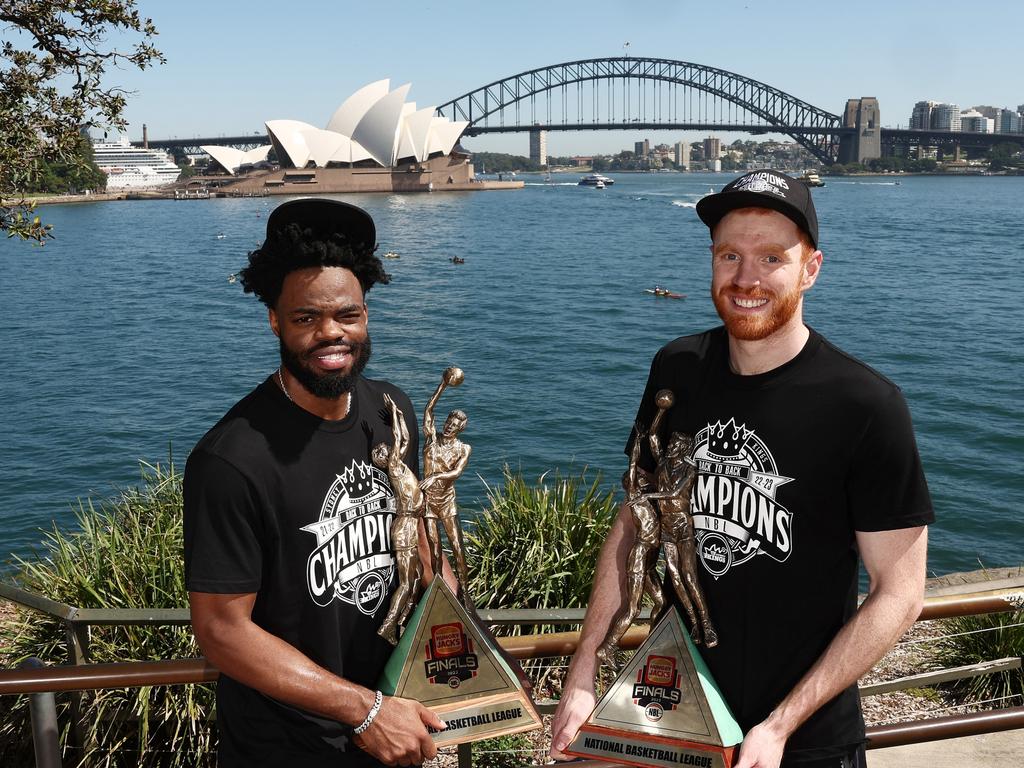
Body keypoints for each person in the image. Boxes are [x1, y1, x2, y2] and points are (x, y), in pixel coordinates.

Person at [551, 170, 933, 768]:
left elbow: (900, 593)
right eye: (730, 254)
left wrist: (780, 726)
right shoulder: (675, 369)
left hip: (803, 742)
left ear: (810, 269)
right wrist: (582, 675)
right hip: (670, 719)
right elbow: (633, 525)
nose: (746, 278)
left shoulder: (866, 405)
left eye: (771, 257)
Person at [184, 198, 447, 767]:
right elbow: (222, 631)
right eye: (306, 319)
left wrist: (456, 632)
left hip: (395, 727)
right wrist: (363, 710)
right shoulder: (230, 458)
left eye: (347, 315)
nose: (332, 334)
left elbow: (419, 540)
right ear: (274, 320)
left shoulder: (390, 409)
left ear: (367, 314)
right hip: (288, 746)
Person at [373, 394, 425, 645]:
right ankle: (389, 625)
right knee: (405, 582)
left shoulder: (400, 467)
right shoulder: (394, 466)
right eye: (385, 451)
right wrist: (397, 413)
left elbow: (403, 440)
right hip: (405, 525)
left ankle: (405, 620)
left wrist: (399, 414)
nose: (390, 450)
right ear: (384, 458)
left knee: (418, 575)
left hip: (411, 523)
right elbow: (402, 437)